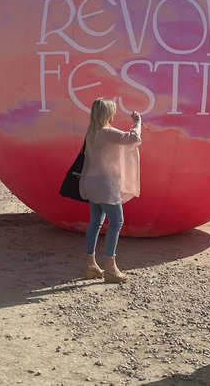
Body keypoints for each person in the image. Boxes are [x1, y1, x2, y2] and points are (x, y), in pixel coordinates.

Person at [79, 98, 141, 284]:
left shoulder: (92, 132)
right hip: (106, 185)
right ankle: (110, 267)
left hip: (91, 183)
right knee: (116, 222)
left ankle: (90, 264)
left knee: (95, 222)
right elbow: (133, 138)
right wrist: (137, 122)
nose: (114, 115)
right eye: (112, 111)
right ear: (107, 114)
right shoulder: (107, 132)